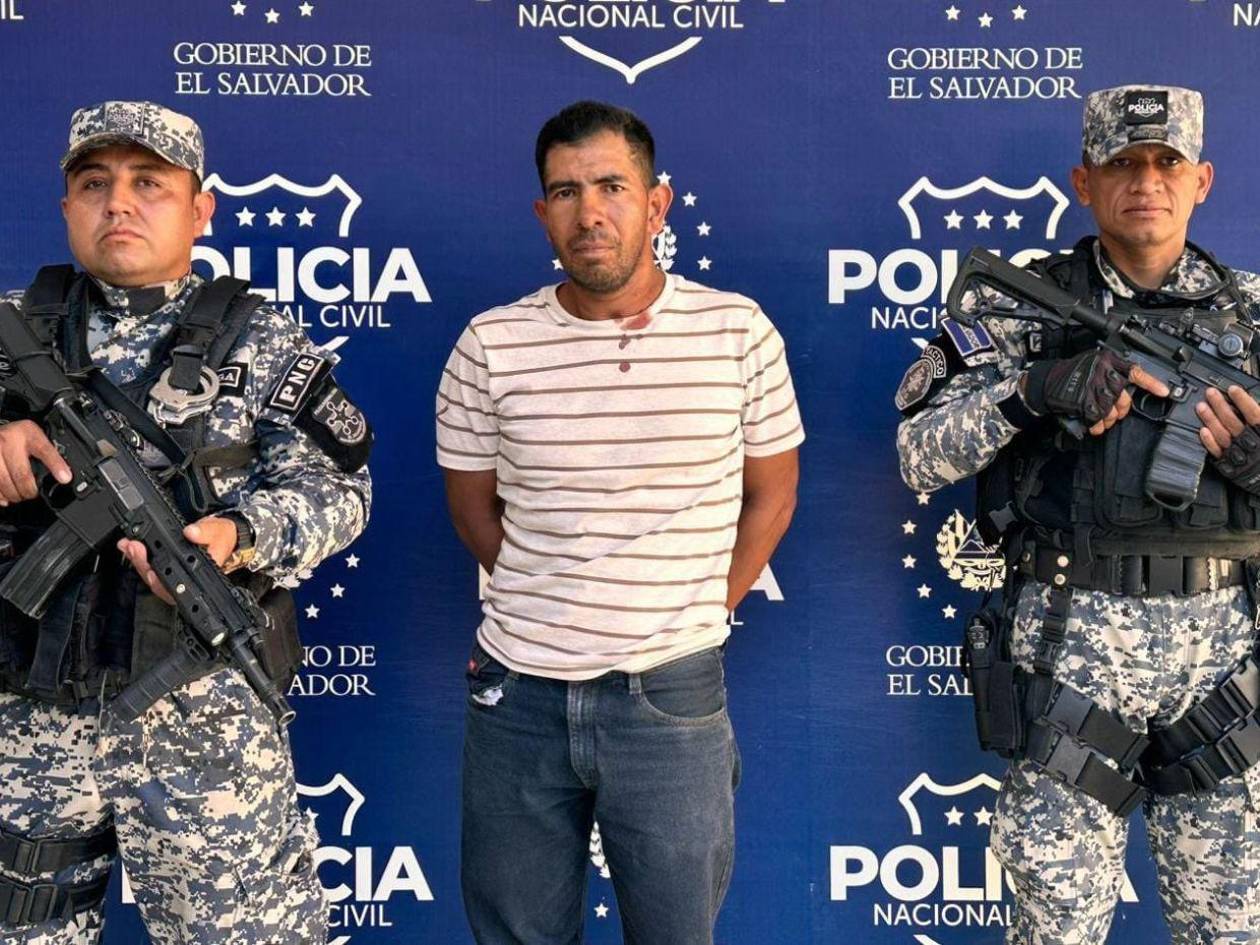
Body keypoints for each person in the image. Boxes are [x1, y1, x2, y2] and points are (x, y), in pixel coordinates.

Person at [0, 101, 372, 943]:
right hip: (26, 721)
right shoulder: (14, 325)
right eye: (94, 184)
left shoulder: (261, 338)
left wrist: (240, 535)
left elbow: (339, 492)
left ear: (200, 210)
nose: (119, 204)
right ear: (66, 207)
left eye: (149, 184)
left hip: (204, 719)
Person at [897, 84, 1260, 943]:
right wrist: (1033, 391)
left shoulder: (1250, 312)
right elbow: (918, 455)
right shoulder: (1022, 306)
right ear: (1083, 181)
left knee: (1234, 927)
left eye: (1167, 161)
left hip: (1227, 663)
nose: (1147, 181)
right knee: (1056, 928)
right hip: (1069, 648)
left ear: (1202, 179)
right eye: (1122, 163)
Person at [436, 100, 802, 944]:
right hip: (517, 698)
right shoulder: (491, 344)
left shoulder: (737, 332)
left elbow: (773, 496)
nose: (589, 212)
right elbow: (472, 508)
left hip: (671, 696)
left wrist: (699, 610)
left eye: (611, 186)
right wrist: (550, 596)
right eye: (566, 192)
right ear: (543, 213)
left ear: (657, 203)